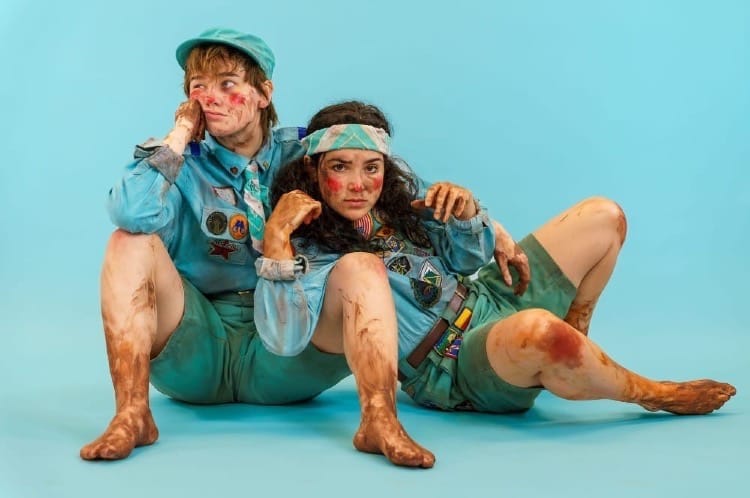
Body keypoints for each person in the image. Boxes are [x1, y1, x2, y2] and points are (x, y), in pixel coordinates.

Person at [257, 100, 736, 427]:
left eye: (371, 166)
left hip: (487, 296)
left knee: (604, 216)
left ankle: (577, 337)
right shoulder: (309, 246)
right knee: (540, 333)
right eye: (340, 167)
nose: (359, 183)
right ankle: (651, 393)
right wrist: (277, 238)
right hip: (451, 364)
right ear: (313, 172)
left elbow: (465, 262)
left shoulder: (394, 206)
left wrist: (467, 214)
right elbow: (284, 338)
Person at [80, 30, 434, 468]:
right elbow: (130, 212)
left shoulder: (305, 151)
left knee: (361, 265)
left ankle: (380, 421)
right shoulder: (177, 162)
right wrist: (179, 135)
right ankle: (132, 415)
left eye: (228, 84)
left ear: (264, 92)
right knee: (127, 242)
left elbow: (387, 191)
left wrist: (480, 222)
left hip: (290, 349)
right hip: (196, 345)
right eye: (199, 88)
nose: (212, 98)